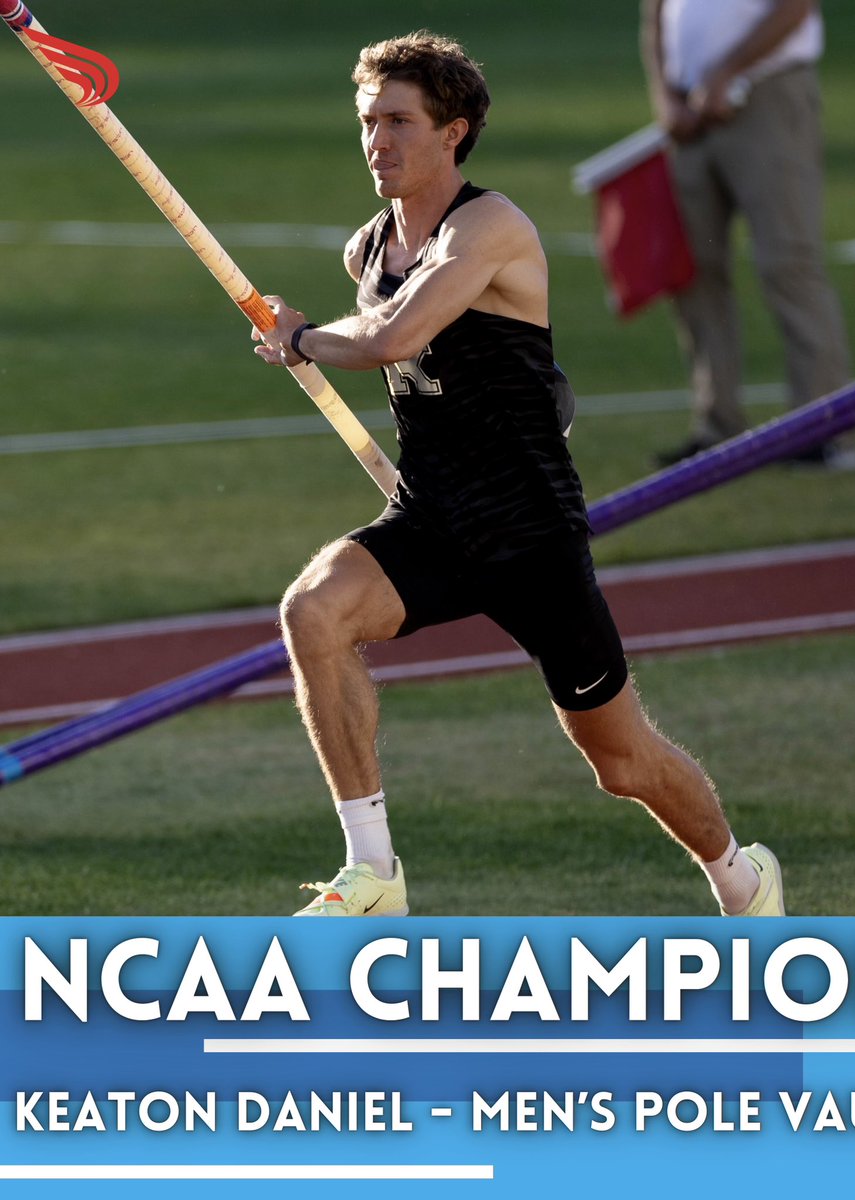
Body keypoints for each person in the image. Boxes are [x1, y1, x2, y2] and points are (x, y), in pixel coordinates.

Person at [253, 30, 784, 918]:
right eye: (368, 121)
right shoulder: (366, 250)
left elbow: (393, 336)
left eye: (398, 122)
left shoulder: (491, 227)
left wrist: (302, 338)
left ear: (453, 131)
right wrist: (298, 334)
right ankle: (373, 872)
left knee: (622, 763)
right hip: (430, 519)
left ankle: (741, 877)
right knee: (313, 611)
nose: (377, 141)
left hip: (528, 531)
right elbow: (375, 334)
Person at [641, 0, 855, 470]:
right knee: (694, 273)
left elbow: (795, 7)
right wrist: (663, 93)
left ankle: (824, 430)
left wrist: (727, 71)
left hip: (765, 93)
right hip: (689, 110)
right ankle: (716, 426)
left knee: (788, 263)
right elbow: (655, 12)